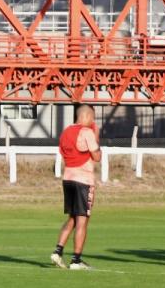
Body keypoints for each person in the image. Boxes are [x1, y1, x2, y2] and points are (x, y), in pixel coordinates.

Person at [51, 104, 101, 271]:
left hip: (68, 178)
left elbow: (65, 152)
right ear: (86, 116)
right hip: (83, 180)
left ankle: (58, 251)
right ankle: (76, 260)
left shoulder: (66, 132)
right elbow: (97, 156)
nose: (93, 121)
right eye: (92, 117)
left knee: (72, 218)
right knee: (82, 221)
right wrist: (97, 136)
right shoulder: (87, 132)